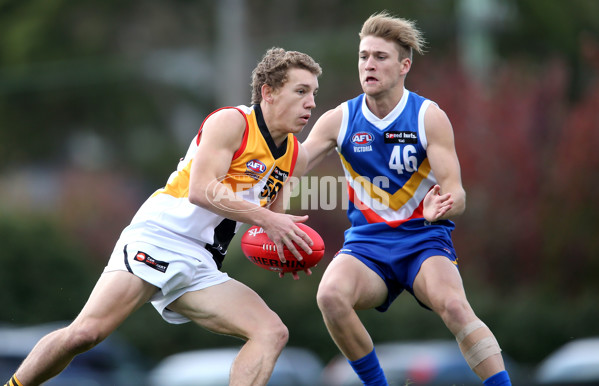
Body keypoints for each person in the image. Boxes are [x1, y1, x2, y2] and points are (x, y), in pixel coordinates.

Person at [3, 47, 321, 386]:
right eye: (301, 91)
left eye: (314, 93)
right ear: (268, 93)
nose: (311, 103)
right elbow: (202, 189)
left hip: (202, 263)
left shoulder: (294, 157)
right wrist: (268, 220)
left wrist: (289, 249)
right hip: (161, 236)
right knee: (86, 334)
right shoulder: (232, 122)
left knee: (271, 332)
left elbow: (273, 222)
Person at [302, 12, 512, 386]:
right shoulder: (340, 119)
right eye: (364, 56)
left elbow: (458, 193)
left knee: (454, 306)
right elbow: (291, 166)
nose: (369, 64)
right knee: (330, 296)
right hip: (367, 246)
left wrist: (443, 206)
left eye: (380, 57)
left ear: (404, 65)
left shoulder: (428, 116)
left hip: (423, 241)